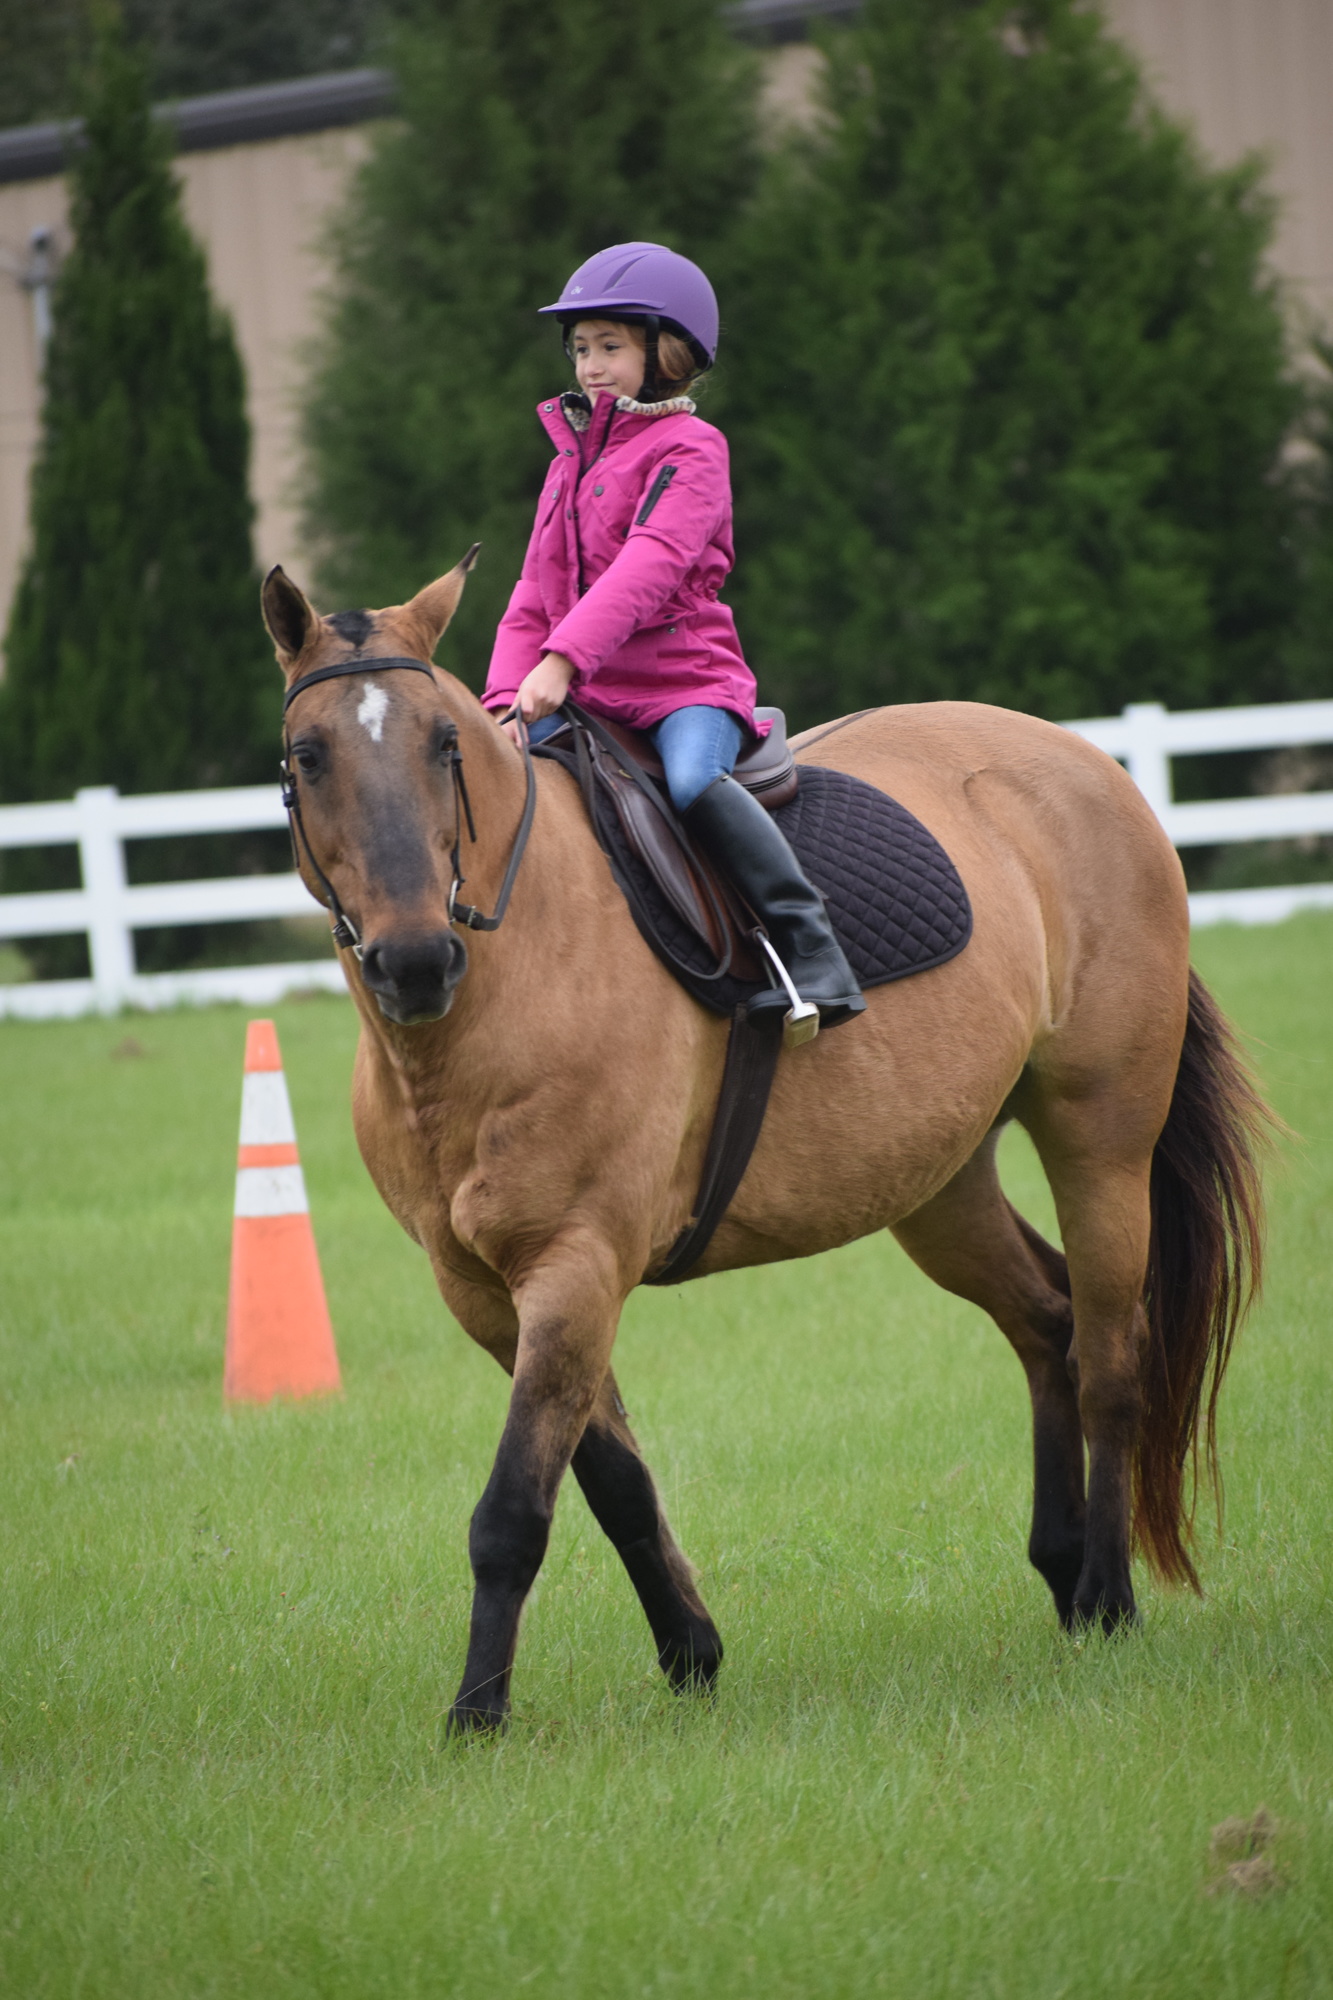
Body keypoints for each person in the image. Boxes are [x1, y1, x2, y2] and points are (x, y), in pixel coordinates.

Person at [484, 241, 863, 1029]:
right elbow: (531, 593)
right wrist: (501, 701)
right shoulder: (565, 467)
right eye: (581, 347)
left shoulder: (692, 449)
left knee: (691, 785)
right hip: (588, 691)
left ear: (668, 352)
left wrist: (560, 660)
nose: (590, 365)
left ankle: (813, 951)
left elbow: (649, 566)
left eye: (610, 347)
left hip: (684, 687)